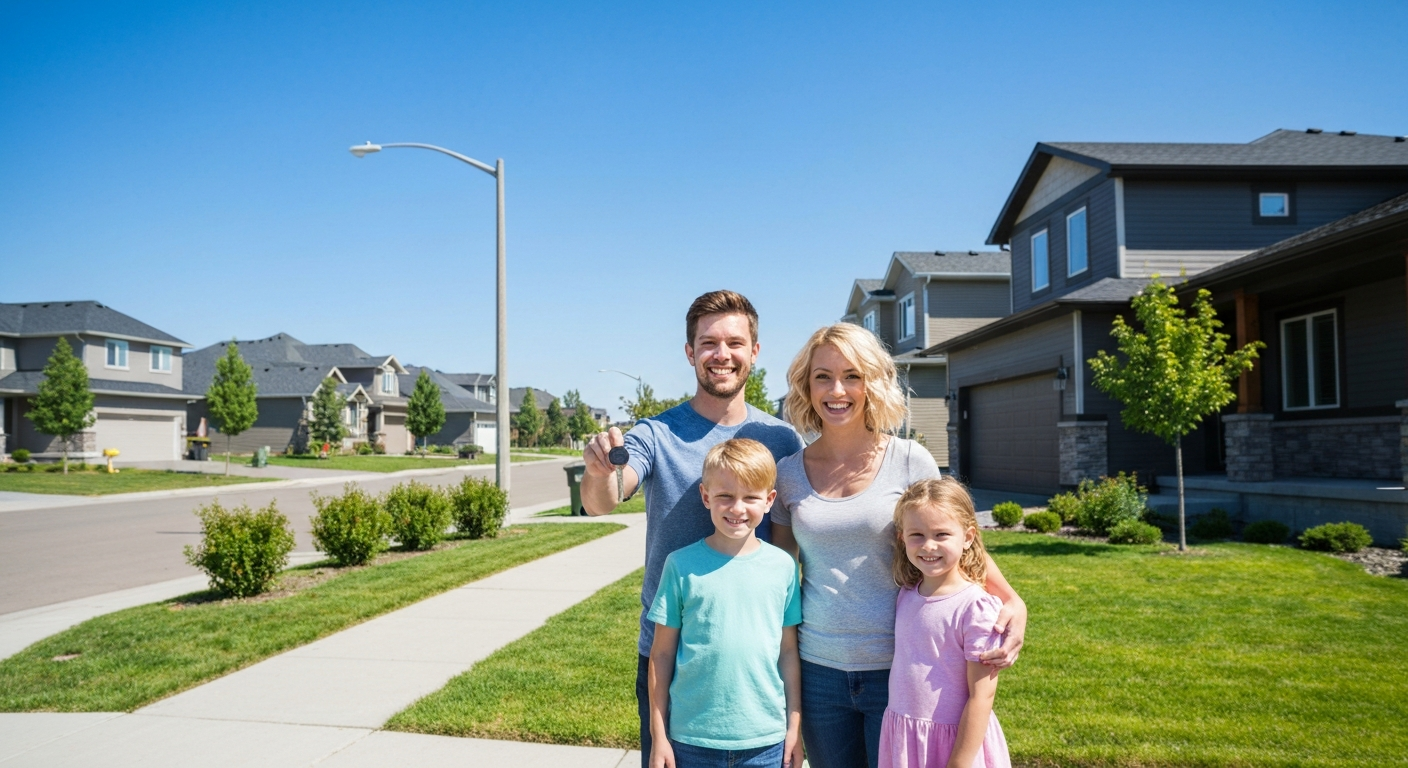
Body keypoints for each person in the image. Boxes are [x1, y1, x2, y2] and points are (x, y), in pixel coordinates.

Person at [770, 323, 1026, 768]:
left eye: (852, 375)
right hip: (818, 670)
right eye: (823, 376)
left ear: (872, 382)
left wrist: (1011, 599)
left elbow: (956, 537)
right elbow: (777, 575)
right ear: (805, 386)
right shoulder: (788, 472)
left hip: (902, 669)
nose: (837, 389)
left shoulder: (909, 459)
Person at [582, 290, 804, 766]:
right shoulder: (655, 434)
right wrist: (598, 472)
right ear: (690, 352)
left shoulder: (782, 439)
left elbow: (790, 545)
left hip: (754, 657)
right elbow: (603, 500)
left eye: (734, 343)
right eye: (708, 343)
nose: (721, 354)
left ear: (754, 352)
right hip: (670, 653)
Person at [646, 439, 804, 768]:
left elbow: (788, 652)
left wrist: (794, 728)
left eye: (750, 497)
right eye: (725, 497)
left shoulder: (783, 567)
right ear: (706, 497)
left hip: (765, 741)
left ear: (769, 500)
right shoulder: (680, 566)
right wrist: (659, 736)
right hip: (691, 740)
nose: (737, 508)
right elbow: (661, 655)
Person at [878, 478, 1010, 768]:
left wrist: (959, 764)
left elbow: (982, 696)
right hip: (906, 737)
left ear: (968, 537)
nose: (928, 545)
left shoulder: (976, 607)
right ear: (901, 538)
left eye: (941, 534)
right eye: (917, 534)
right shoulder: (906, 595)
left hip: (957, 746)